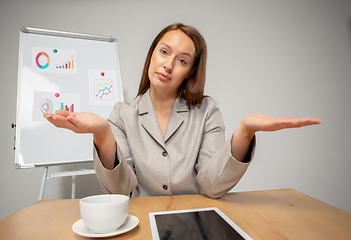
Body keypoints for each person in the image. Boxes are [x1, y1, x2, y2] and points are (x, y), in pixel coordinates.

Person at [44, 23, 321, 198]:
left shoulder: (207, 110)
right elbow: (121, 189)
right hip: (142, 222)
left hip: (198, 221)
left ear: (191, 71)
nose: (168, 65)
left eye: (182, 60)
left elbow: (212, 185)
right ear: (152, 53)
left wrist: (245, 131)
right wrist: (103, 133)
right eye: (164, 52)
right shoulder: (121, 113)